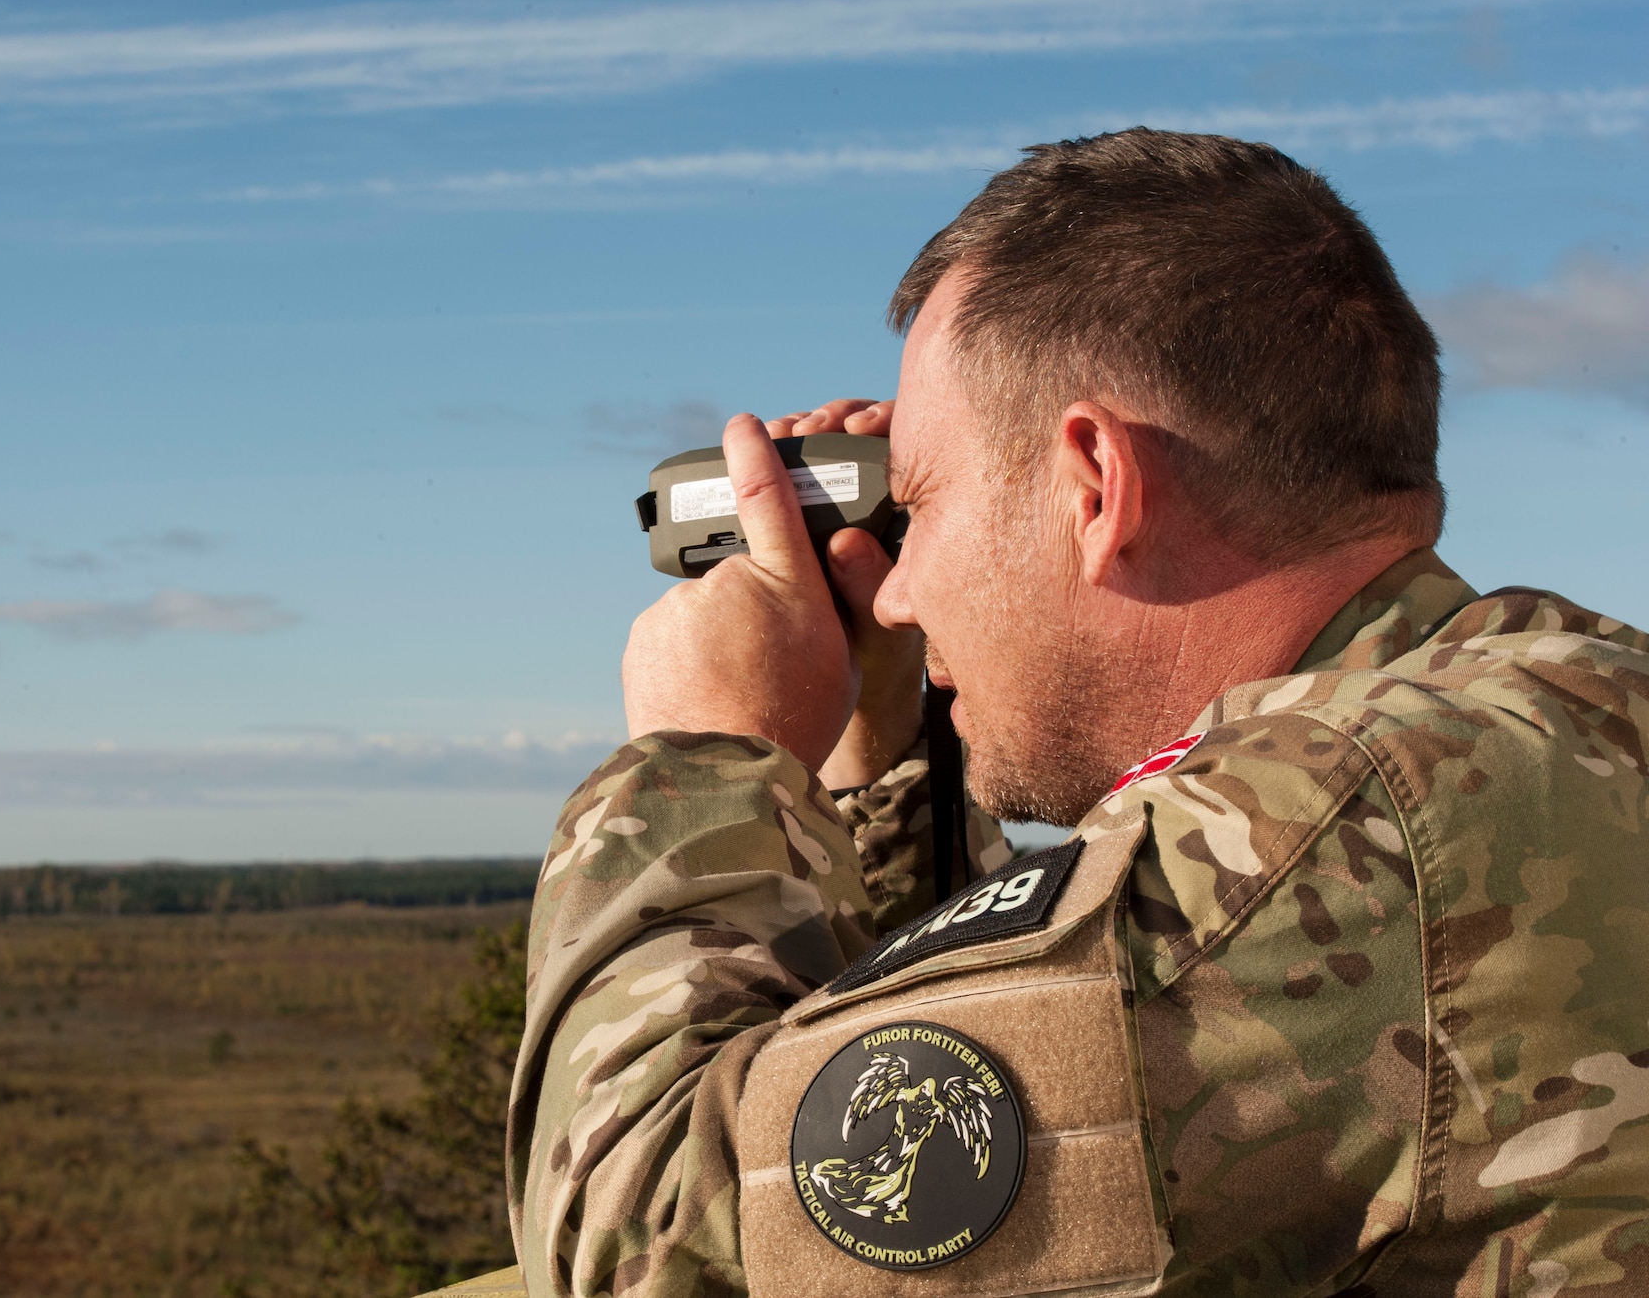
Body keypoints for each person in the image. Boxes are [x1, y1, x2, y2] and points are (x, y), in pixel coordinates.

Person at [501, 130, 1649, 1297]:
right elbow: (966, 1068)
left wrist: (702, 760)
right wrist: (887, 758)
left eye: (921, 502)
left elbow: (645, 1248)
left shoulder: (1331, 825)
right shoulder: (1555, 714)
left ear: (1093, 485)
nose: (897, 587)